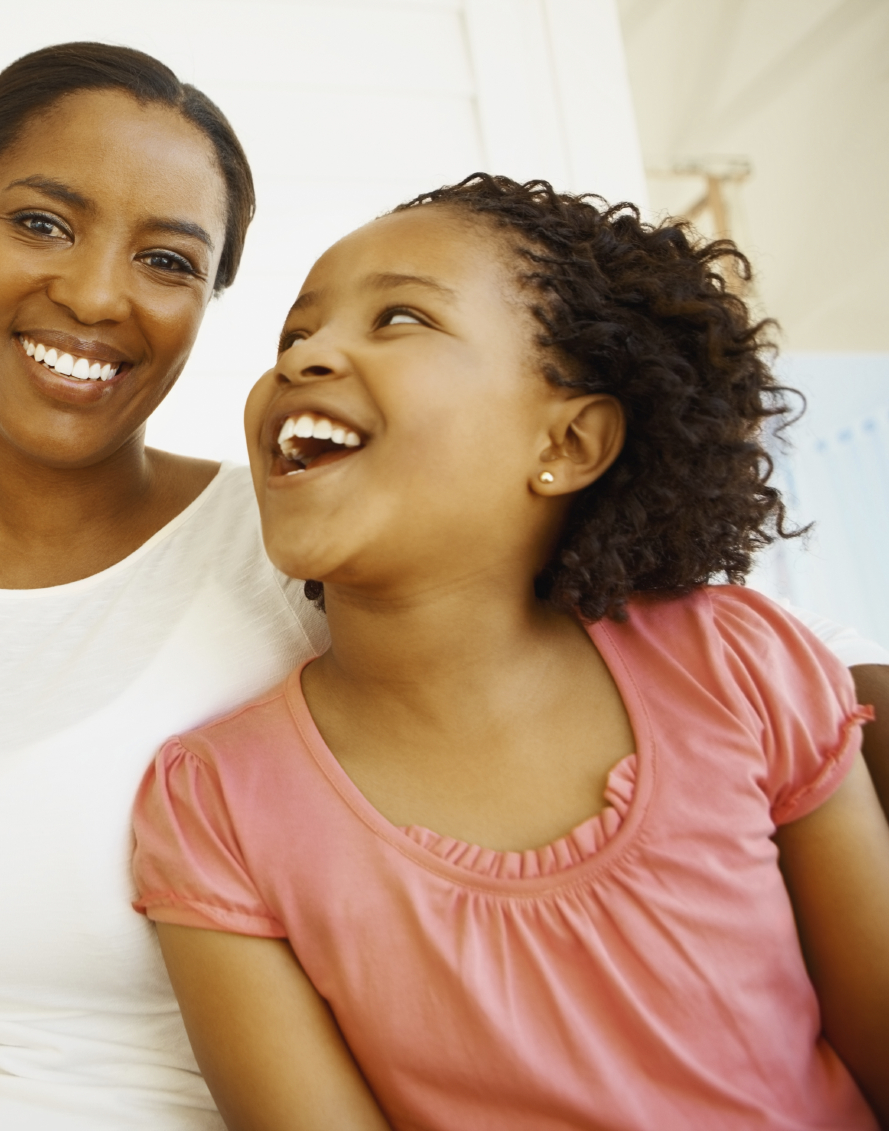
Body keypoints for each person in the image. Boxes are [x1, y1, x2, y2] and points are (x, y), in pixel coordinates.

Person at [0, 41, 889, 1131]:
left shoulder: (328, 540)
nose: (98, 293)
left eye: (168, 260)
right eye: (42, 222)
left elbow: (782, 684)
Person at [132, 175, 889, 1130]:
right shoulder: (217, 804)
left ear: (570, 442)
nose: (310, 355)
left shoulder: (733, 664)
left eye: (399, 317)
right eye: (294, 336)